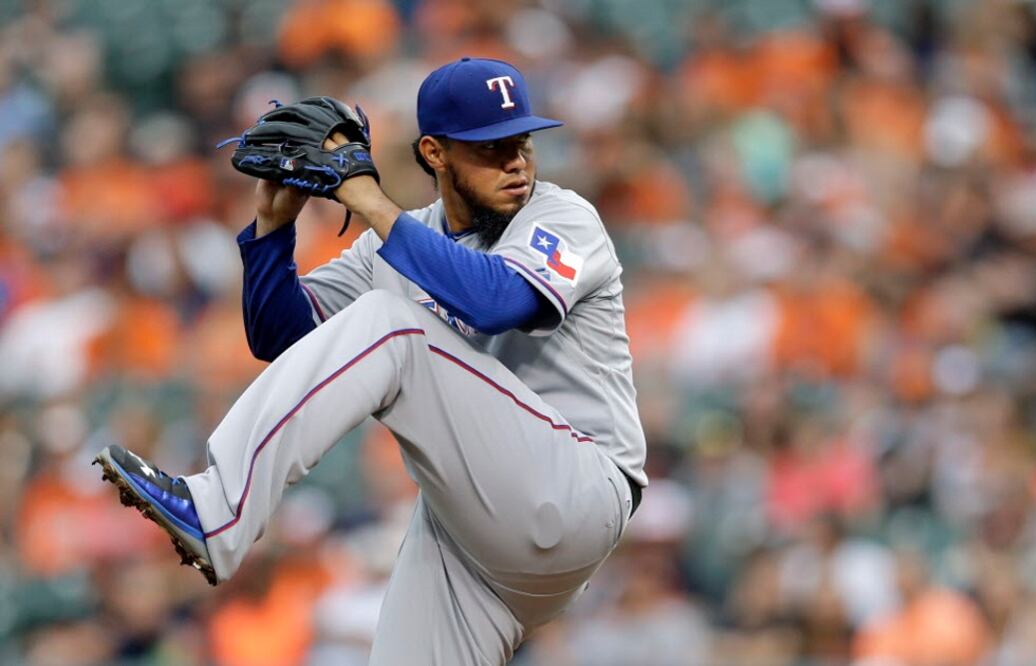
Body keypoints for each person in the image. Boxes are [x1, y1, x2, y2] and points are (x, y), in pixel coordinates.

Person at [94, 57, 646, 664]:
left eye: (522, 142)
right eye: (491, 147)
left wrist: (368, 200)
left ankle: (218, 508)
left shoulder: (562, 216)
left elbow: (498, 300)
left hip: (580, 488)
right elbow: (287, 342)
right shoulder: (395, 242)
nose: (516, 161)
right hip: (473, 543)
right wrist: (273, 230)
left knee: (393, 322)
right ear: (435, 153)